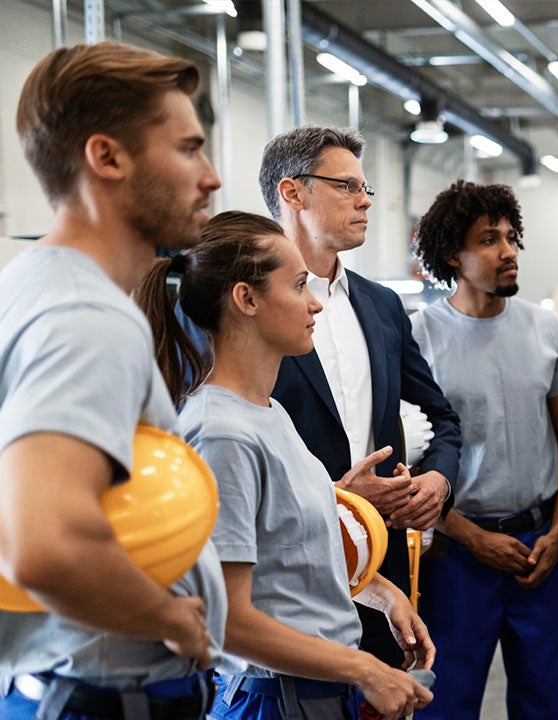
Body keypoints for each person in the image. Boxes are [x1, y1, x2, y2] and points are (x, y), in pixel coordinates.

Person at [0, 43, 225, 719]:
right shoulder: (88, 317)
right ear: (107, 157)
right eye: (188, 149)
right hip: (98, 697)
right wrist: (172, 618)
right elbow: (43, 544)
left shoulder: (29, 285)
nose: (211, 176)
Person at [138, 211, 435, 719]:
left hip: (313, 691)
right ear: (246, 299)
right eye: (299, 286)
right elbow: (225, 618)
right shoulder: (221, 434)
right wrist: (364, 669)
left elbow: (292, 555)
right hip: (274, 698)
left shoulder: (268, 412)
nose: (315, 302)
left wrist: (382, 594)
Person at [257, 126, 462, 668]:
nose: (366, 199)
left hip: (382, 559)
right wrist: (334, 495)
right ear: (292, 192)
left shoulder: (382, 307)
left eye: (364, 186)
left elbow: (443, 417)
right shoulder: (248, 307)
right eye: (346, 186)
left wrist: (437, 479)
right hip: (286, 568)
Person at [409, 180, 558, 719]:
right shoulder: (418, 337)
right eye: (488, 240)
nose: (508, 251)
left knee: (549, 704)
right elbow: (408, 456)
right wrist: (470, 536)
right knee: (446, 702)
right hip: (456, 555)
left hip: (541, 550)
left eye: (510, 237)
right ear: (451, 256)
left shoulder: (545, 329)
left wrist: (557, 533)